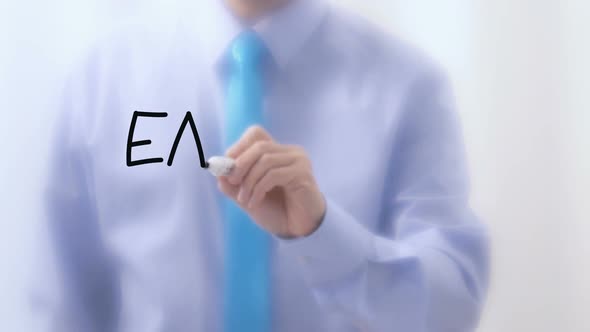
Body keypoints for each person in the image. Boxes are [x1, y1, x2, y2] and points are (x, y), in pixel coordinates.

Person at [32, 0, 490, 331]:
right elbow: (59, 302)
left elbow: (450, 312)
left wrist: (323, 234)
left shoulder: (410, 85)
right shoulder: (103, 76)